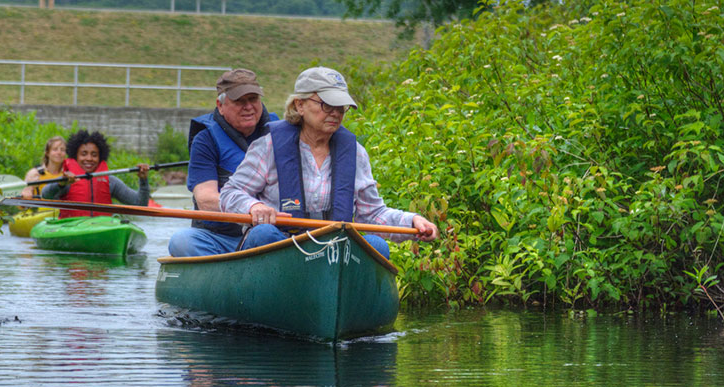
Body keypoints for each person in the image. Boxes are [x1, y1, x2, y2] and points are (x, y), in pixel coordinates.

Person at [219, 66, 439, 258]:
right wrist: (254, 206)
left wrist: (412, 221)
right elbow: (230, 194)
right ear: (300, 105)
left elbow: (373, 215)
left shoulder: (355, 153)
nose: (335, 113)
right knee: (263, 233)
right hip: (282, 247)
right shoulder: (268, 147)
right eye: (326, 105)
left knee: (377, 246)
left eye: (340, 106)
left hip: (332, 249)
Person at [167, 68, 279, 256]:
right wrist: (251, 207)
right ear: (220, 105)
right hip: (219, 237)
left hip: (267, 233)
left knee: (264, 233)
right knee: (181, 241)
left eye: (253, 99)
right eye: (240, 101)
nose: (249, 107)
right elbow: (206, 200)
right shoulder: (205, 140)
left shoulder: (280, 133)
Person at [41, 130, 150, 218]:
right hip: (71, 228)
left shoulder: (111, 182)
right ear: (76, 156)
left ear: (100, 157)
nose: (89, 159)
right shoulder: (67, 180)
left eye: (94, 155)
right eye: (84, 154)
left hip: (101, 228)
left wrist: (143, 180)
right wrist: (61, 184)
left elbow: (139, 204)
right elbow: (46, 195)